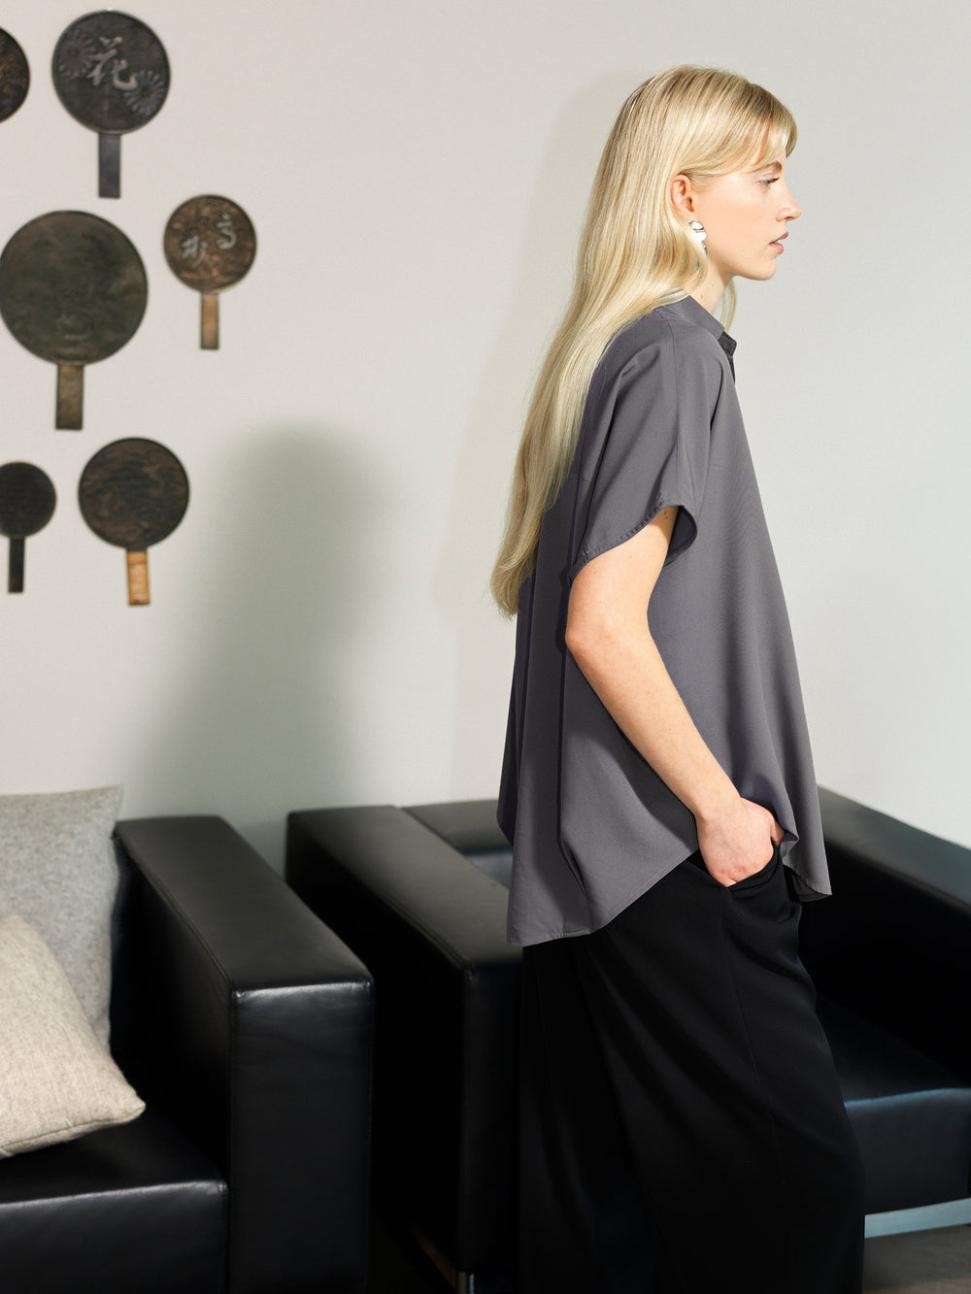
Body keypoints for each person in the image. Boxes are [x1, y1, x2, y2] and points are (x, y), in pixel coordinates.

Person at [489, 64, 867, 1293]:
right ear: (682, 196)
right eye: (765, 176)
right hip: (671, 856)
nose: (789, 204)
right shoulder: (673, 356)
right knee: (796, 1210)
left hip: (601, 858)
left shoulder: (615, 352)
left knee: (612, 1218)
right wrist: (722, 809)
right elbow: (601, 624)